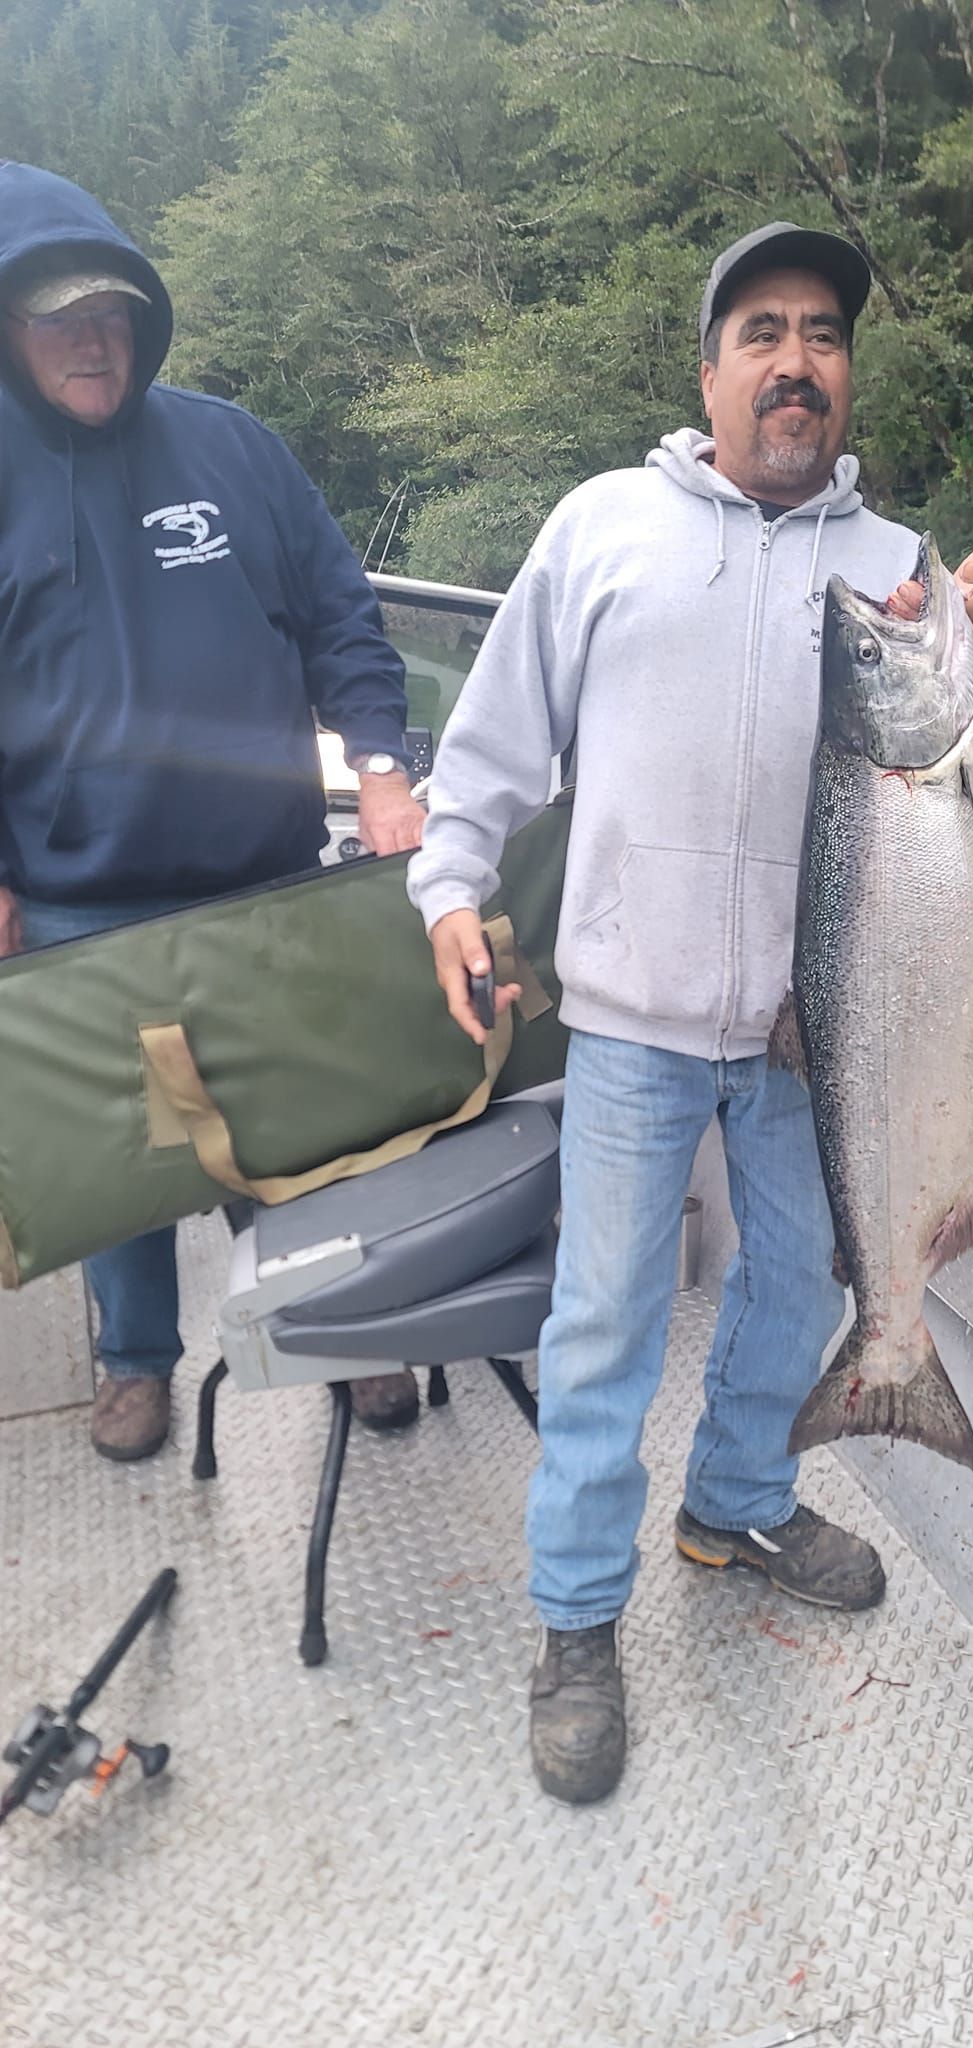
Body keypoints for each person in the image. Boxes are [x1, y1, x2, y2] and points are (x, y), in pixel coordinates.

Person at [409, 221, 973, 1804]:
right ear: (709, 373)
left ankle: (736, 1502)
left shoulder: (893, 568)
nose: (796, 361)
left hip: (825, 1036)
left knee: (800, 1287)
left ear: (846, 376)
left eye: (823, 334)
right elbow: (491, 746)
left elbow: (949, 817)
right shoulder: (604, 527)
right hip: (632, 1018)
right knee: (603, 1324)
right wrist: (448, 888)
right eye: (763, 332)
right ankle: (577, 1619)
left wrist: (966, 634)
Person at [0, 162, 427, 1461]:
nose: (93, 341)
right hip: (78, 898)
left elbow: (344, 617)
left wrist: (382, 766)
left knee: (304, 1120)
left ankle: (341, 1326)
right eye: (62, 321)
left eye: (112, 315)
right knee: (123, 1154)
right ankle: (136, 1361)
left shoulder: (233, 447)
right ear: (11, 329)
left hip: (263, 874)